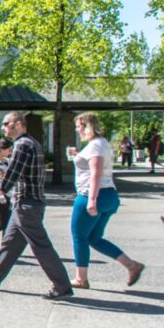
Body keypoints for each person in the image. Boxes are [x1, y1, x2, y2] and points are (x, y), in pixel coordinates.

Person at [0, 111, 74, 300]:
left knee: (41, 246)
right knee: (10, 243)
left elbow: (11, 175)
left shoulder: (23, 145)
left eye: (5, 123)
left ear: (18, 124)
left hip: (27, 204)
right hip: (26, 203)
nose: (2, 127)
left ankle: (62, 285)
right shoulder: (31, 143)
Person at [69, 113, 145, 289]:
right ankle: (132, 265)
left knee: (79, 236)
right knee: (94, 238)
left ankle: (81, 278)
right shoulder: (101, 143)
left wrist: (92, 200)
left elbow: (95, 173)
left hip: (92, 195)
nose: (77, 130)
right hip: (109, 195)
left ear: (88, 126)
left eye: (79, 126)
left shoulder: (95, 146)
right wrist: (78, 155)